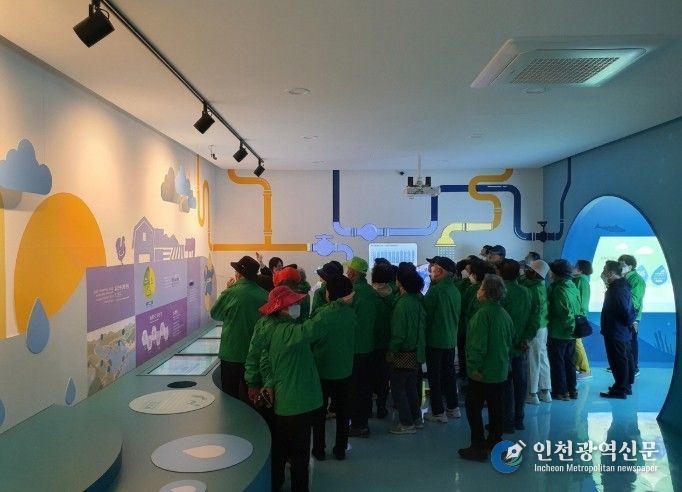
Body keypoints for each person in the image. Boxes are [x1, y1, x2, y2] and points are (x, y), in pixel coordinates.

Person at [244, 286, 327, 492]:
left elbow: (260, 357)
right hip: (290, 397)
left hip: (275, 394)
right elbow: (314, 328)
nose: (298, 305)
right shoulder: (285, 331)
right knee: (298, 452)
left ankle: (277, 481)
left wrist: (259, 383)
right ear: (282, 308)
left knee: (279, 446)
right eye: (294, 303)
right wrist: (335, 305)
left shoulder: (268, 325)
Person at [458, 274, 513, 461]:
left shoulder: (482, 315)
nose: (478, 290)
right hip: (500, 369)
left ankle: (477, 446)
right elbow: (510, 340)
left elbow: (477, 345)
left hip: (483, 372)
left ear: (486, 292)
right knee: (496, 408)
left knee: (473, 408)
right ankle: (495, 441)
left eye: (481, 287)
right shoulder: (503, 314)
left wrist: (474, 367)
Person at [311, 275, 357, 461]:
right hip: (344, 370)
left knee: (319, 413)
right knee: (343, 412)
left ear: (329, 294)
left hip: (322, 370)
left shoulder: (321, 314)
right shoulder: (351, 314)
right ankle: (340, 449)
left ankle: (319, 449)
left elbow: (311, 339)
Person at [210, 255, 267, 401]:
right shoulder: (265, 295)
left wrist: (228, 290)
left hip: (232, 353)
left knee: (230, 397)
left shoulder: (231, 292)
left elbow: (215, 314)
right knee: (254, 399)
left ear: (239, 274)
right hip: (256, 355)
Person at [387, 266, 426, 434]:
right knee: (411, 388)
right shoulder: (417, 301)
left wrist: (391, 351)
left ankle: (406, 423)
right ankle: (417, 419)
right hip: (416, 351)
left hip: (403, 352)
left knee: (397, 389)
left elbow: (399, 333)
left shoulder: (402, 304)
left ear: (401, 283)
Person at [423, 256, 462, 423]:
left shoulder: (436, 291)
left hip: (435, 340)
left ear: (439, 270)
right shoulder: (455, 290)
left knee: (435, 377)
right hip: (450, 340)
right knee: (449, 375)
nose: (431, 271)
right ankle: (453, 408)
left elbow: (426, 315)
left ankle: (438, 412)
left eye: (433, 268)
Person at [346, 256, 380, 438]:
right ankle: (363, 422)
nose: (347, 273)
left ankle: (358, 425)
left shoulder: (352, 294)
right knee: (365, 387)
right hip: (369, 345)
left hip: (354, 347)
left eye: (348, 271)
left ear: (353, 273)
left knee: (354, 388)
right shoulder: (371, 292)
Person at [499, 259, 532, 431]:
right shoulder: (526, 292)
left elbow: (500, 321)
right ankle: (519, 418)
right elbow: (533, 317)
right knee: (520, 383)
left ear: (499, 273)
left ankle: (507, 421)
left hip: (505, 346)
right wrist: (526, 338)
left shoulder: (501, 292)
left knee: (505, 384)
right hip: (521, 344)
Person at [599, 261, 636, 399]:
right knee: (623, 359)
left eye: (604, 269)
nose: (602, 272)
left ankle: (621, 389)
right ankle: (624, 386)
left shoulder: (617, 289)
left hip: (616, 331)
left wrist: (629, 322)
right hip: (620, 330)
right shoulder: (620, 286)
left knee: (618, 360)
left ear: (611, 273)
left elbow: (625, 312)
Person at [547, 259, 581, 401]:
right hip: (572, 332)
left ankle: (560, 392)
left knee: (558, 363)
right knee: (569, 362)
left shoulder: (558, 289)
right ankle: (572, 390)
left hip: (559, 331)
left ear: (556, 273)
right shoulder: (572, 286)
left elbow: (563, 313)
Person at [522, 259, 552, 404]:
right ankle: (545, 391)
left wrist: (527, 334)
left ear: (535, 273)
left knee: (533, 360)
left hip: (535, 329)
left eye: (530, 269)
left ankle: (532, 393)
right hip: (542, 327)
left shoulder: (534, 289)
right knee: (542, 358)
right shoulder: (541, 285)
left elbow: (534, 315)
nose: (527, 271)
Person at [371, 263, 399, 419]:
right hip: (386, 342)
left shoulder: (368, 295)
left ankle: (367, 410)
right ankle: (382, 408)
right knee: (383, 378)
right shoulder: (394, 297)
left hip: (369, 342)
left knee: (368, 377)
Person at [618, 254, 646, 377]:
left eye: (622, 265)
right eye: (619, 264)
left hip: (632, 316)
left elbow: (634, 301)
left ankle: (634, 368)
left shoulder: (637, 280)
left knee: (631, 341)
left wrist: (633, 319)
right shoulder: (622, 278)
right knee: (623, 341)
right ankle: (625, 365)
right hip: (623, 314)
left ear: (630, 266)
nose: (620, 267)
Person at [573, 260, 593, 380]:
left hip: (577, 316)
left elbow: (581, 300)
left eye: (575, 266)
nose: (573, 268)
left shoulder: (581, 280)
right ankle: (578, 367)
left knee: (577, 343)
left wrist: (578, 316)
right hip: (578, 315)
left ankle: (585, 369)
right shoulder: (579, 279)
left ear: (581, 269)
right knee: (575, 342)